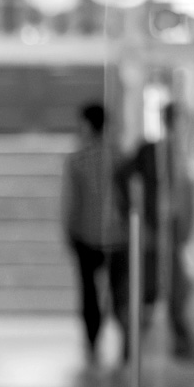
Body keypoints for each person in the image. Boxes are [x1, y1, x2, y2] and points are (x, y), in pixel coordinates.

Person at [117, 102, 194, 359]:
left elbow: (186, 198)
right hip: (153, 233)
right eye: (181, 122)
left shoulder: (184, 156)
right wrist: (136, 218)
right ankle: (132, 344)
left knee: (179, 289)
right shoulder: (151, 151)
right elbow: (123, 177)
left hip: (175, 235)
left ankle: (180, 342)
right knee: (146, 290)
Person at [61, 103, 131, 365]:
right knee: (119, 292)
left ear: (88, 126)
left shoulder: (78, 160)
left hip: (87, 236)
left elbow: (71, 202)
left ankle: (93, 342)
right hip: (119, 236)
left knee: (90, 294)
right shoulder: (120, 157)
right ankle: (126, 340)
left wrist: (68, 230)